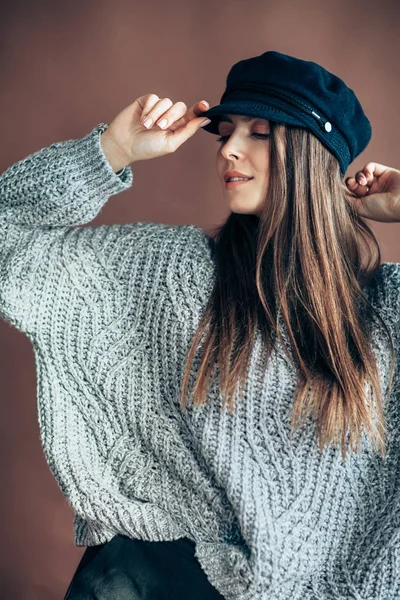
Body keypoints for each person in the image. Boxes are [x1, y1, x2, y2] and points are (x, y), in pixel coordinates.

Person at [0, 50, 400, 600]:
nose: (230, 150)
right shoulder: (177, 272)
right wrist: (109, 152)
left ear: (314, 157)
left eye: (260, 133)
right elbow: (8, 242)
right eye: (226, 133)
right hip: (154, 580)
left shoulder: (384, 310)